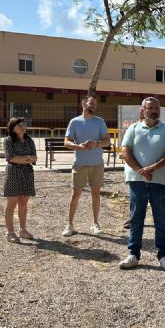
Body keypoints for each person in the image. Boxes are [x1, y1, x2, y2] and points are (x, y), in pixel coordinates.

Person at [119, 97, 165, 270]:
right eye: (150, 108)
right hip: (137, 181)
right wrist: (141, 170)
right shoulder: (133, 128)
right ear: (143, 110)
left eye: (156, 108)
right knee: (136, 219)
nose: (154, 111)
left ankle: (163, 255)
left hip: (159, 182)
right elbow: (125, 151)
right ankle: (133, 254)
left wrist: (152, 168)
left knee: (161, 220)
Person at [62, 96, 110, 236]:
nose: (94, 106)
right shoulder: (75, 121)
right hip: (80, 164)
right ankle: (70, 224)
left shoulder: (100, 122)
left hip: (97, 164)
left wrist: (96, 144)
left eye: (95, 104)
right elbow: (66, 142)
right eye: (91, 103)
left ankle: (95, 223)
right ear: (83, 104)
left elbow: (107, 141)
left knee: (96, 193)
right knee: (75, 194)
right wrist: (77, 146)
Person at [3, 118, 37, 242]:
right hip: (13, 173)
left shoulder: (30, 140)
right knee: (11, 204)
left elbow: (34, 158)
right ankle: (10, 232)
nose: (23, 126)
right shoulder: (8, 141)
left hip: (27, 173)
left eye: (24, 124)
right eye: (19, 125)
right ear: (12, 128)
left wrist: (23, 158)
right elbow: (11, 158)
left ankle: (23, 230)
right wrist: (27, 158)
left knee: (23, 203)